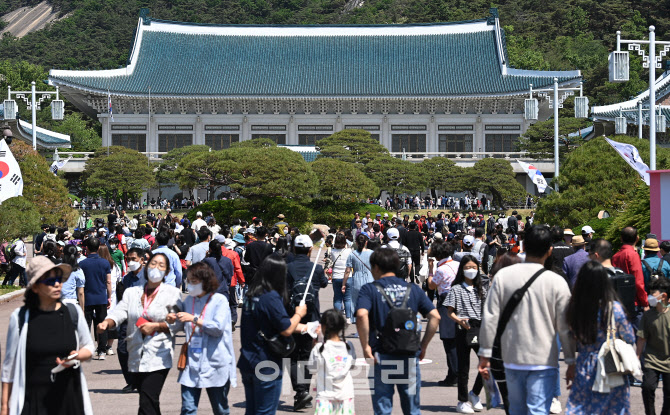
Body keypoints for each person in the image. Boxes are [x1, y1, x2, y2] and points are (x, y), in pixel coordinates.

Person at [478, 225, 576, 415]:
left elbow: (490, 317)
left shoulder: (503, 277)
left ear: (523, 246)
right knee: (538, 410)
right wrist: (571, 360)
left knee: (516, 409)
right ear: (549, 251)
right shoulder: (556, 282)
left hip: (512, 356)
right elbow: (565, 327)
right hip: (544, 358)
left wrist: (485, 354)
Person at [1, 256, 95, 415]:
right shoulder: (20, 318)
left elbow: (89, 347)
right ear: (35, 288)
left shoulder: (72, 312)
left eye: (59, 279)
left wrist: (77, 356)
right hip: (34, 400)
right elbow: (9, 367)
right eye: (50, 281)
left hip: (69, 397)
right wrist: (4, 407)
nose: (57, 284)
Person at [355, 248, 440, 415]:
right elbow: (435, 317)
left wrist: (365, 346)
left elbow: (361, 314)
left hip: (381, 354)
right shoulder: (413, 289)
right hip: (408, 354)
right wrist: (423, 346)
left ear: (376, 267)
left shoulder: (369, 289)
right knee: (412, 408)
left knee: (382, 407)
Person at [96, 252, 181, 415]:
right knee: (149, 400)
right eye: (154, 264)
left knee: (146, 401)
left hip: (158, 355)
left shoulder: (172, 294)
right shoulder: (132, 292)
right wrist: (107, 322)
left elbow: (177, 324)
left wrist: (157, 325)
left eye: (161, 265)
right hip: (136, 354)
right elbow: (121, 311)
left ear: (167, 271)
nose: (156, 268)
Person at [238, 256, 308, 415]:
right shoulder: (270, 297)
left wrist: (305, 327)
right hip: (266, 363)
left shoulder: (251, 295)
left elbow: (271, 324)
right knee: (266, 411)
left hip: (248, 360)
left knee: (253, 410)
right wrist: (299, 314)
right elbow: (286, 329)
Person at [565, 261, 636, 414]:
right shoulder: (613, 309)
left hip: (584, 365)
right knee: (613, 409)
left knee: (584, 408)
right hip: (611, 365)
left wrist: (570, 364)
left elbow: (570, 337)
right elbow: (630, 337)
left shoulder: (575, 308)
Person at [167, 263, 236, 415]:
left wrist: (194, 318)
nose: (189, 285)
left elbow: (217, 328)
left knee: (220, 409)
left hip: (215, 362)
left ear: (205, 281)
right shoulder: (189, 301)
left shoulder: (219, 300)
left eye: (193, 281)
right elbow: (180, 325)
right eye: (189, 281)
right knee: (188, 408)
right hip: (191, 362)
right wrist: (174, 320)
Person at [286, 234, 329, 411]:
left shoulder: (287, 268)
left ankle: (301, 392)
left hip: (293, 317)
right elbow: (325, 284)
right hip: (312, 317)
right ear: (311, 249)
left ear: (294, 249)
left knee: (293, 356)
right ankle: (302, 392)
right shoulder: (316, 269)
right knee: (307, 355)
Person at [445, 255, 486, 414]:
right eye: (468, 268)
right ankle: (462, 401)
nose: (471, 271)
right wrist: (459, 321)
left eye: (474, 268)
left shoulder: (481, 287)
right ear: (462, 270)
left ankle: (474, 394)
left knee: (486, 363)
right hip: (463, 328)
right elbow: (450, 312)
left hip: (480, 326)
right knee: (464, 367)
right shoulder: (455, 289)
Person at [306, 309, 356, 415]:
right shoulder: (349, 346)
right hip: (345, 394)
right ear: (342, 326)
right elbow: (352, 365)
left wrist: (314, 344)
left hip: (325, 395)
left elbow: (312, 369)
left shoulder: (319, 348)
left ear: (323, 326)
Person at [427, 241, 460, 387]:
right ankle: (456, 373)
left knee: (448, 340)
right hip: (460, 300)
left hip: (446, 302)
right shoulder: (458, 264)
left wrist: (430, 270)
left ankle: (454, 374)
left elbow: (431, 285)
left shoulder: (440, 270)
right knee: (458, 340)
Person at [637, 277, 670, 415]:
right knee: (647, 387)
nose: (650, 297)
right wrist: (636, 358)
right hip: (652, 359)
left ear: (664, 296)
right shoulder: (648, 315)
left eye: (653, 294)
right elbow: (642, 338)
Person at [79, 237, 112, 360]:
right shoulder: (105, 263)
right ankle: (102, 350)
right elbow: (108, 281)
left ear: (86, 248)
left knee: (86, 324)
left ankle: (87, 349)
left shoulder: (82, 264)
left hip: (87, 297)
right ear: (99, 248)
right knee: (101, 323)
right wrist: (109, 297)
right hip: (101, 297)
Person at [612, 227, 648, 324]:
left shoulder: (615, 256)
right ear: (637, 238)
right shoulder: (633, 254)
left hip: (619, 300)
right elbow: (638, 281)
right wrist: (645, 302)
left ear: (621, 239)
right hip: (634, 303)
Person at [342, 233, 373, 325]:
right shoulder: (372, 253)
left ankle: (359, 326)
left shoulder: (352, 254)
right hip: (370, 279)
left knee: (356, 304)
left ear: (356, 242)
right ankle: (369, 324)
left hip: (357, 280)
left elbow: (347, 271)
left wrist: (344, 284)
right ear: (366, 242)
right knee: (370, 303)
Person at [329, 234, 353, 323]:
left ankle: (337, 317)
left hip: (336, 276)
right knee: (347, 298)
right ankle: (348, 317)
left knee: (337, 298)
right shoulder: (349, 251)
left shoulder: (332, 251)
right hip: (348, 276)